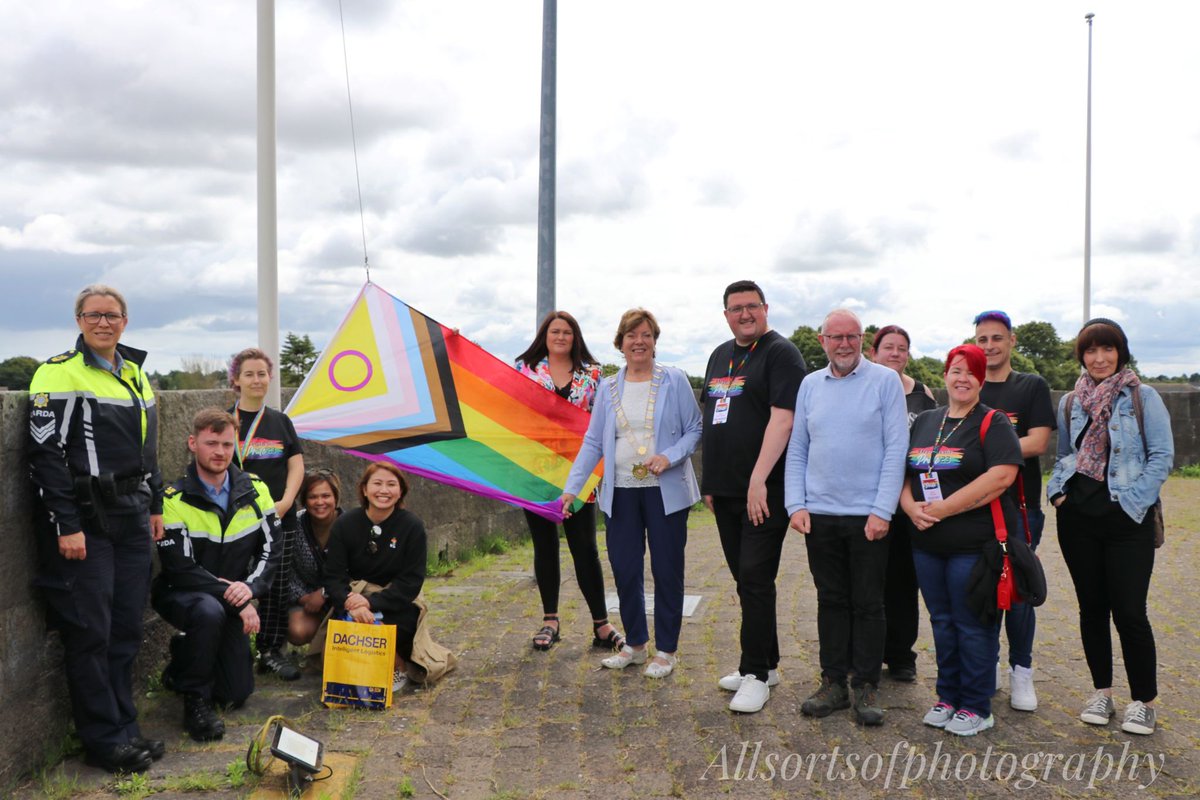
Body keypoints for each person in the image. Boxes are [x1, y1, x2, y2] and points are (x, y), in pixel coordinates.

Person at [27, 284, 165, 773]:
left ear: (125, 321)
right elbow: (45, 456)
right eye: (93, 315)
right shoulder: (57, 372)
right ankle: (103, 740)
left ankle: (126, 726)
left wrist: (155, 502)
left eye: (112, 315)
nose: (103, 323)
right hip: (85, 521)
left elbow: (149, 447)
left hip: (131, 516)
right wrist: (65, 524)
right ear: (79, 320)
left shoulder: (135, 373)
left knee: (127, 627)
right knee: (92, 632)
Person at [560, 308, 702, 679]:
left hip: (665, 491)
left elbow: (694, 428)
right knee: (624, 570)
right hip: (620, 491)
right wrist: (572, 487)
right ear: (620, 343)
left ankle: (666, 651)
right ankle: (636, 645)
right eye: (631, 336)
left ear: (655, 341)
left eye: (646, 335)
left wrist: (669, 457)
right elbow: (593, 441)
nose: (639, 342)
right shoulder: (608, 387)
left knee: (667, 570)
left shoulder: (675, 379)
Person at [1047, 319, 1173, 735]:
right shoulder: (1070, 401)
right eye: (1090, 351)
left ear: (1121, 352)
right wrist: (1058, 494)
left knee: (1131, 612)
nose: (1099, 358)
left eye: (1108, 349)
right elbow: (1064, 454)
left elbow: (1161, 457)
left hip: (1126, 519)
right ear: (1081, 356)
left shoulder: (1143, 397)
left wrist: (1132, 504)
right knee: (1092, 610)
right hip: (1078, 519)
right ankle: (1102, 692)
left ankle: (1144, 701)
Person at [785, 309, 908, 726]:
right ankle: (834, 682)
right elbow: (798, 446)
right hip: (819, 514)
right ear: (822, 341)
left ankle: (867, 684)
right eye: (835, 337)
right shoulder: (809, 385)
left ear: (862, 339)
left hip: (867, 515)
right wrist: (795, 504)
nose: (843, 344)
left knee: (869, 603)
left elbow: (896, 448)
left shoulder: (885, 382)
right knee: (830, 600)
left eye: (851, 336)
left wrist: (882, 509)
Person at [901, 345, 1022, 736]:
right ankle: (947, 696)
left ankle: (976, 704)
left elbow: (1001, 477)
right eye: (956, 370)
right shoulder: (926, 420)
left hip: (974, 545)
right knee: (941, 621)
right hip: (927, 544)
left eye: (971, 372)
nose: (962, 378)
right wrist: (910, 508)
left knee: (973, 624)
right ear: (945, 375)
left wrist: (944, 509)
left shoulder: (993, 422)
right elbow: (903, 473)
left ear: (981, 379)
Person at [700, 280, 806, 714]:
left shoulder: (781, 353)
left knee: (756, 578)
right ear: (725, 315)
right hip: (725, 491)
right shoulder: (719, 355)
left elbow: (783, 420)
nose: (744, 314)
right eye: (735, 308)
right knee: (747, 582)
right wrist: (709, 481)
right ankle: (769, 663)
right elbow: (713, 419)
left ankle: (755, 675)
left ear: (765, 308)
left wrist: (758, 479)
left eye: (751, 306)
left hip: (764, 491)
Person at [153, 408, 281, 742]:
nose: (220, 452)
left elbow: (273, 549)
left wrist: (251, 589)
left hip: (235, 595)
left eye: (227, 444)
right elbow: (180, 568)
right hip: (183, 593)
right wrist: (237, 599)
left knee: (236, 694)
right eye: (211, 443)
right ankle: (195, 701)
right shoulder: (173, 499)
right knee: (207, 612)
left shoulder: (255, 490)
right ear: (193, 443)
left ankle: (183, 660)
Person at [514, 311, 623, 652]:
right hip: (536, 472)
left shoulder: (593, 373)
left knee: (585, 548)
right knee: (545, 546)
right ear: (544, 336)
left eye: (567, 332)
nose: (560, 337)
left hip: (581, 471)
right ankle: (550, 621)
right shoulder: (524, 368)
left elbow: (605, 417)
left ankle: (601, 625)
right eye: (554, 331)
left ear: (575, 338)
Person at [973, 310, 1055, 712]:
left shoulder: (1031, 386)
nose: (989, 346)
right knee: (980, 588)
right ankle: (983, 668)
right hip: (973, 508)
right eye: (982, 339)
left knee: (1019, 591)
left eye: (996, 338)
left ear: (1011, 341)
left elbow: (1038, 442)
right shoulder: (968, 384)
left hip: (1020, 509)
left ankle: (1021, 670)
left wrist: (985, 449)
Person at [227, 347, 305, 681]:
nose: (256, 379)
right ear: (236, 380)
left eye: (262, 373)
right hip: (237, 524)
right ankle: (233, 651)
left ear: (270, 378)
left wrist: (287, 501)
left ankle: (271, 651)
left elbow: (295, 464)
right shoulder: (225, 422)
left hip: (279, 519)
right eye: (249, 374)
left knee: (276, 585)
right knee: (236, 585)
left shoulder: (280, 421)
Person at [869, 325, 937, 683]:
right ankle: (865, 652)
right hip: (869, 497)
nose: (895, 354)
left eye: (902, 349)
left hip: (910, 500)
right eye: (888, 348)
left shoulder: (923, 395)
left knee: (903, 581)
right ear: (873, 353)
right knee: (869, 580)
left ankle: (901, 655)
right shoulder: (864, 388)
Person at [324, 462, 427, 692]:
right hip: (352, 597)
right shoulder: (344, 524)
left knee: (396, 626)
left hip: (394, 601)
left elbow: (411, 581)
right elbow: (333, 576)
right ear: (364, 489)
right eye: (377, 483)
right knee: (351, 626)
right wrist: (352, 604)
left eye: (391, 484)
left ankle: (396, 664)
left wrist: (371, 602)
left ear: (400, 491)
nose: (384, 490)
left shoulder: (413, 527)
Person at [285, 470, 343, 651]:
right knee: (298, 630)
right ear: (304, 500)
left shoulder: (350, 525)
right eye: (312, 497)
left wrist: (326, 592)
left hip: (343, 597)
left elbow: (358, 570)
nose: (320, 502)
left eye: (326, 495)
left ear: (336, 497)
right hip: (307, 599)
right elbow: (285, 569)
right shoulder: (293, 525)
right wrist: (304, 597)